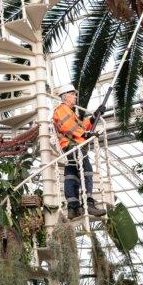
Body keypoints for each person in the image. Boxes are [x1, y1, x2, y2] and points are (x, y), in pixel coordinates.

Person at [52, 88, 106, 219]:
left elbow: (80, 126)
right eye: (73, 95)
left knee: (71, 175)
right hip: (73, 145)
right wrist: (85, 134)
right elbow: (68, 126)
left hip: (71, 146)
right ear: (65, 97)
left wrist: (94, 117)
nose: (75, 97)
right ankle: (88, 204)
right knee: (86, 171)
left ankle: (73, 208)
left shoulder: (69, 112)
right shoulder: (62, 109)